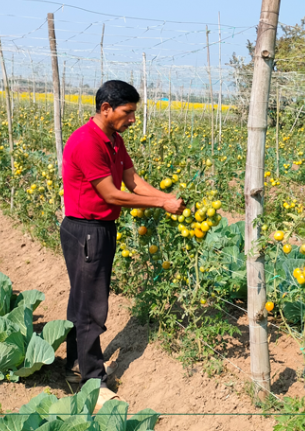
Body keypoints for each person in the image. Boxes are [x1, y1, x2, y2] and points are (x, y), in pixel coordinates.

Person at [59, 80, 185, 408]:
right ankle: (92, 381)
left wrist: (166, 197)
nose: (132, 120)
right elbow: (112, 194)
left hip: (99, 228)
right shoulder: (87, 142)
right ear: (106, 109)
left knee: (84, 301)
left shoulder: (112, 139)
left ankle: (77, 365)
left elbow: (132, 181)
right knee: (91, 307)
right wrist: (161, 205)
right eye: (128, 113)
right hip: (86, 230)